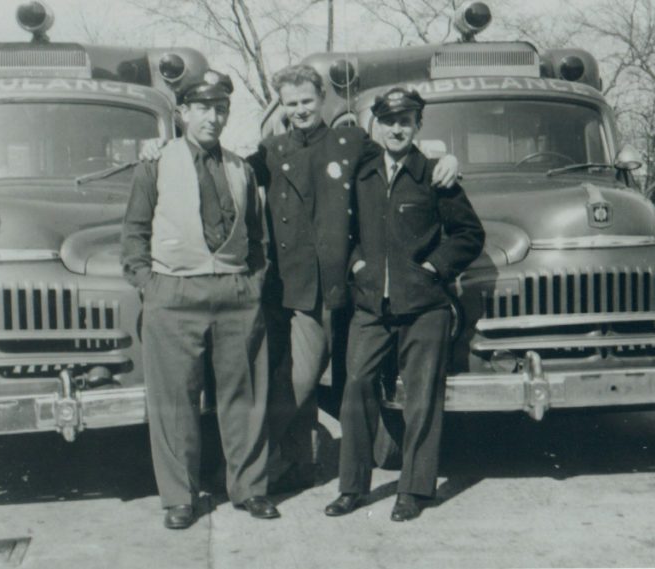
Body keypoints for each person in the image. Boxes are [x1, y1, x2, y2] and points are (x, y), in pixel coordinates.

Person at [142, 64, 460, 494]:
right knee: (291, 380)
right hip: (292, 288)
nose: (300, 110)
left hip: (343, 284)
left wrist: (445, 161)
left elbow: (399, 159)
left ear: (323, 98)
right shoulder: (271, 150)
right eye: (291, 104)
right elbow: (222, 168)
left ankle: (281, 467)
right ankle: (274, 466)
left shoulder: (351, 143)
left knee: (331, 382)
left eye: (307, 101)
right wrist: (164, 147)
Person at [121, 70, 279, 530]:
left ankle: (250, 489)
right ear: (183, 113)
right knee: (175, 402)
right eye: (204, 108)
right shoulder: (155, 163)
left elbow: (257, 237)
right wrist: (149, 285)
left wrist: (253, 282)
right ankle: (180, 497)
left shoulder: (241, 168)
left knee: (245, 398)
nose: (213, 117)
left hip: (235, 293)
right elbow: (134, 234)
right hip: (173, 292)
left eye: (221, 109)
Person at [324, 86, 485, 522]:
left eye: (405, 121)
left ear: (418, 125)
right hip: (370, 307)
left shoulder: (434, 174)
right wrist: (356, 265)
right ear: (376, 125)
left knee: (421, 399)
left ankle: (413, 490)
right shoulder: (361, 174)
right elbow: (344, 231)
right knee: (356, 386)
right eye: (389, 121)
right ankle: (352, 488)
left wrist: (434, 267)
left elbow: (470, 234)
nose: (396, 129)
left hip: (425, 306)